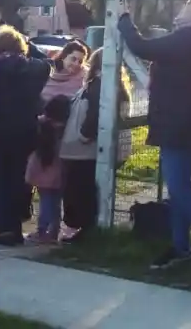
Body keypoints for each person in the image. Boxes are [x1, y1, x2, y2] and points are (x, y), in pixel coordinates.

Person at [118, 0, 191, 275]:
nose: (185, 5)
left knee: (180, 189)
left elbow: (140, 47)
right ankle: (182, 248)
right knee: (179, 189)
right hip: (183, 121)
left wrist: (123, 18)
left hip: (178, 123)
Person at [0, 25, 51, 247]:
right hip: (24, 130)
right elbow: (45, 60)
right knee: (18, 178)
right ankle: (17, 225)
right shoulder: (34, 68)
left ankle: (4, 229)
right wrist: (28, 45)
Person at [59, 48, 129, 242]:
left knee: (78, 191)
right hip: (90, 149)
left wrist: (83, 135)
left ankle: (81, 231)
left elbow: (94, 115)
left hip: (83, 149)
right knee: (87, 190)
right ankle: (86, 230)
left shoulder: (97, 85)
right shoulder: (113, 85)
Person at [25, 95, 72, 244]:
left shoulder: (41, 125)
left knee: (45, 200)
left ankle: (42, 230)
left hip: (41, 168)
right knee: (56, 202)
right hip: (59, 168)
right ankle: (53, 232)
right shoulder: (67, 128)